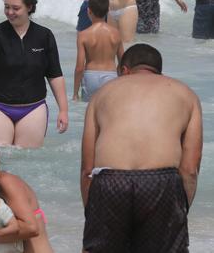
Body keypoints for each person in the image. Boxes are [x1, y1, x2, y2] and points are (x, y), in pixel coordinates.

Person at [81, 44, 202, 252]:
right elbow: (190, 169)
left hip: (111, 181)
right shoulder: (186, 94)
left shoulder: (101, 95)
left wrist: (92, 213)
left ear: (125, 70)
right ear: (160, 72)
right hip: (161, 183)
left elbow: (87, 168)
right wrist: (181, 209)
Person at [0, 0, 68, 148]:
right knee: (0, 157)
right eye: (6, 7)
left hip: (34, 108)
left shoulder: (44, 36)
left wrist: (63, 110)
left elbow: (54, 75)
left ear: (29, 7)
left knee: (28, 161)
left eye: (15, 8)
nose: (10, 12)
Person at [73, 0, 123, 102]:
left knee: (88, 112)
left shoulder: (83, 35)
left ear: (88, 11)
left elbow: (79, 67)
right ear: (108, 10)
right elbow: (122, 62)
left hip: (91, 77)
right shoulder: (116, 33)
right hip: (111, 76)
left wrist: (75, 93)